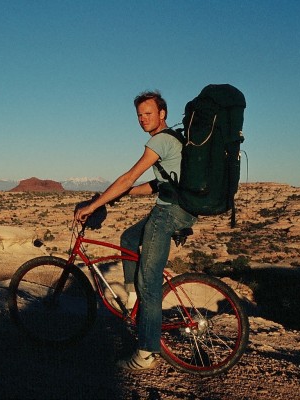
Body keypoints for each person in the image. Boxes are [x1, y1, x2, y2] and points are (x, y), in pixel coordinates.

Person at [74, 90, 197, 371]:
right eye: (139, 115)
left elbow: (129, 176)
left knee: (149, 284)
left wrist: (95, 204)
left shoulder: (161, 141)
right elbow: (157, 183)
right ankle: (132, 298)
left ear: (162, 114)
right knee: (128, 238)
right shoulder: (175, 139)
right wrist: (120, 196)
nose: (143, 119)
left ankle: (146, 353)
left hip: (168, 214)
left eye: (148, 113)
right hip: (176, 208)